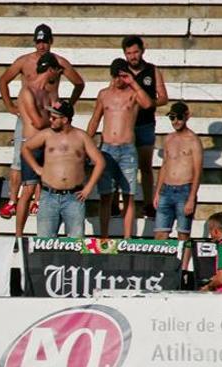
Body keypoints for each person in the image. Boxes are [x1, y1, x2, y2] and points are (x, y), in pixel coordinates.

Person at [0, 23, 85, 219]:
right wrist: (10, 107)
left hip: (50, 116)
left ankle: (38, 201)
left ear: (51, 41)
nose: (41, 46)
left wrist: (68, 105)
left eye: (45, 41)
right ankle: (13, 200)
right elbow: (3, 80)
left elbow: (79, 83)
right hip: (28, 116)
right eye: (38, 42)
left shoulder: (59, 63)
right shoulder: (24, 61)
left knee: (47, 158)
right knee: (19, 160)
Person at [87, 58, 153, 239]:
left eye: (123, 76)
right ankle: (104, 236)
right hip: (107, 148)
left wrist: (132, 81)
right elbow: (95, 120)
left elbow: (148, 104)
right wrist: (86, 143)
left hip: (127, 149)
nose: (119, 80)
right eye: (116, 76)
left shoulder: (134, 93)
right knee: (106, 195)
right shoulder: (104, 94)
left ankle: (127, 237)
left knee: (128, 195)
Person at [23, 101, 105, 238]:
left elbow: (100, 162)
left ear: (65, 119)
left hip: (74, 196)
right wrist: (37, 168)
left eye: (54, 118)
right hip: (49, 195)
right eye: (50, 116)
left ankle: (73, 261)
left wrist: (88, 188)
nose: (50, 120)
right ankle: (47, 261)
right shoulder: (46, 134)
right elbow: (25, 148)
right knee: (45, 242)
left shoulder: (81, 136)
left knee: (76, 242)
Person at [13, 53, 64, 239]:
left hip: (47, 145)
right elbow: (37, 121)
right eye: (56, 71)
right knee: (27, 191)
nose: (57, 76)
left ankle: (46, 235)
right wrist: (54, 119)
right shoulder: (28, 91)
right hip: (32, 146)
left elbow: (56, 116)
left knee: (49, 192)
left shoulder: (47, 92)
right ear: (50, 70)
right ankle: (18, 235)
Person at [123, 35, 169, 219]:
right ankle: (122, 205)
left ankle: (149, 204)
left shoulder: (152, 70)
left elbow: (164, 97)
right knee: (123, 166)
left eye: (135, 52)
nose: (133, 56)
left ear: (142, 51)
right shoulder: (121, 70)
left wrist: (150, 103)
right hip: (126, 125)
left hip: (145, 124)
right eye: (129, 53)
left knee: (146, 167)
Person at [154, 102, 202, 272]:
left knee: (183, 234)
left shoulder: (194, 141)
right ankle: (161, 270)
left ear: (187, 116)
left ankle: (181, 271)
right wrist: (157, 192)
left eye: (179, 117)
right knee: (160, 234)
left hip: (185, 190)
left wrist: (191, 197)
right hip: (167, 189)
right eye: (173, 117)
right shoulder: (168, 139)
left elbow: (197, 171)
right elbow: (165, 165)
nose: (176, 121)